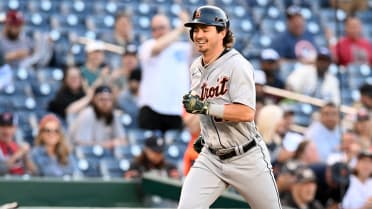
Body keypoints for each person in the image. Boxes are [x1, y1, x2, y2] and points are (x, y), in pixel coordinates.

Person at [179, 5, 282, 209]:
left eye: (205, 29)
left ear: (222, 32)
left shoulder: (238, 65)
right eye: (195, 29)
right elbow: (205, 109)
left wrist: (206, 108)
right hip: (212, 157)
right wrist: (209, 133)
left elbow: (246, 113)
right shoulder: (195, 67)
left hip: (246, 156)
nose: (198, 35)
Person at [137, 11, 192, 133]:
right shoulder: (147, 45)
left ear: (169, 28)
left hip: (177, 110)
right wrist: (179, 29)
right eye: (154, 29)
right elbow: (157, 48)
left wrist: (187, 27)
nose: (158, 32)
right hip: (152, 108)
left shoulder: (182, 47)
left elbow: (198, 48)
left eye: (162, 28)